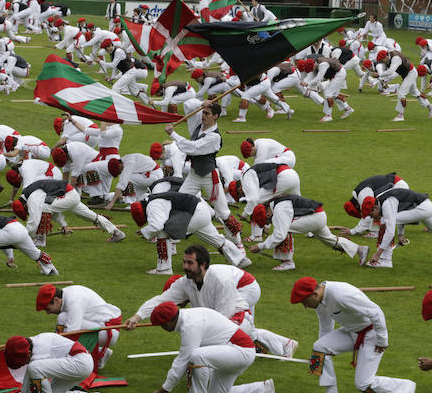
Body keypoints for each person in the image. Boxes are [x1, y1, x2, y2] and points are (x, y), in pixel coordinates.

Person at [125, 244, 297, 357]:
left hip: (246, 287)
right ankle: (285, 345)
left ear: (203, 264)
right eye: (184, 262)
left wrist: (197, 336)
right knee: (242, 332)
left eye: (190, 263)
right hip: (232, 300)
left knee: (224, 335)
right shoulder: (185, 282)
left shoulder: (221, 281)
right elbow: (160, 300)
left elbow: (221, 318)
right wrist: (137, 317)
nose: (185, 267)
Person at [290, 276, 416, 393]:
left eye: (304, 301)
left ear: (314, 294)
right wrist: (323, 354)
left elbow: (376, 312)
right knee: (319, 347)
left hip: (371, 334)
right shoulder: (320, 301)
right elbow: (325, 325)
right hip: (351, 331)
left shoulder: (341, 295)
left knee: (363, 384)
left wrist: (382, 340)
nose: (305, 306)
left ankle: (407, 388)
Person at [142, 301, 276, 393]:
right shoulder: (189, 316)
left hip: (240, 351)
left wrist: (162, 392)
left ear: (167, 323)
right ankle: (263, 390)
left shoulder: (190, 325)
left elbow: (182, 362)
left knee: (196, 356)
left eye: (161, 325)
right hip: (233, 351)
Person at [165, 101, 244, 248]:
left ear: (215, 116)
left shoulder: (214, 137)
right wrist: (202, 103)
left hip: (209, 177)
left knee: (223, 213)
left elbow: (193, 148)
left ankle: (238, 243)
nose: (203, 116)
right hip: (194, 175)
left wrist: (173, 134)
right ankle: (173, 239)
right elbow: (188, 105)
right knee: (178, 204)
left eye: (207, 113)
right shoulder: (198, 124)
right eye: (202, 112)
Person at [131, 191, 251, 274]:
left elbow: (157, 226)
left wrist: (144, 231)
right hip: (202, 210)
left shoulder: (152, 206)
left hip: (194, 215)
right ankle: (241, 260)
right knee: (217, 239)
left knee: (163, 233)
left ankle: (164, 269)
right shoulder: (154, 198)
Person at [246, 195, 368, 271]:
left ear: (268, 214)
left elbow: (279, 235)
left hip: (315, 217)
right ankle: (360, 249)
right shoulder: (277, 204)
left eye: (267, 221)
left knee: (284, 229)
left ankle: (287, 262)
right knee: (330, 241)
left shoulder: (279, 209)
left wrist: (260, 246)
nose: (269, 223)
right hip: (318, 216)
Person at [1, 333, 104, 393]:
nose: (25, 364)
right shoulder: (30, 345)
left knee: (35, 370)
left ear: (28, 353)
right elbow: (32, 386)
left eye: (24, 362)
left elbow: (31, 380)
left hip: (80, 362)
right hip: (79, 361)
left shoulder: (40, 352)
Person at [12, 178, 124, 245]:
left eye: (26, 211)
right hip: (69, 195)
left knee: (43, 209)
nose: (28, 212)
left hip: (68, 196)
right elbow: (53, 208)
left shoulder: (33, 197)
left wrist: (24, 238)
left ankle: (40, 239)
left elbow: (34, 220)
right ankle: (117, 232)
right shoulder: (29, 192)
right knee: (91, 216)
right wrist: (64, 224)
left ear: (24, 205)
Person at [36, 283, 121, 370]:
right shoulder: (65, 294)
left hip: (109, 331)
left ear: (56, 300)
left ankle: (81, 358)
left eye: (48, 309)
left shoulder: (74, 300)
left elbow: (71, 334)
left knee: (63, 319)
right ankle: (99, 352)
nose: (48, 313)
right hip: (102, 325)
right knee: (63, 320)